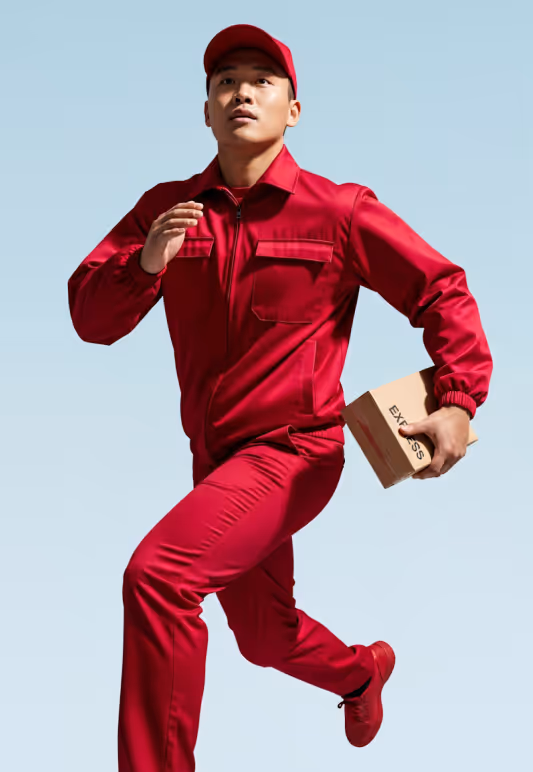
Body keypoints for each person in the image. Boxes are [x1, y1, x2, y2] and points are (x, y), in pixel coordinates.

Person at [67, 23, 493, 772]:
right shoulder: (165, 210)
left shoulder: (338, 211)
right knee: (264, 637)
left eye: (262, 80)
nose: (241, 91)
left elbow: (441, 289)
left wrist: (458, 400)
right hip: (215, 463)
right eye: (224, 80)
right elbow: (90, 321)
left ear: (292, 110)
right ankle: (362, 672)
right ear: (204, 111)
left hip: (294, 453)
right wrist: (145, 262)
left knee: (159, 577)